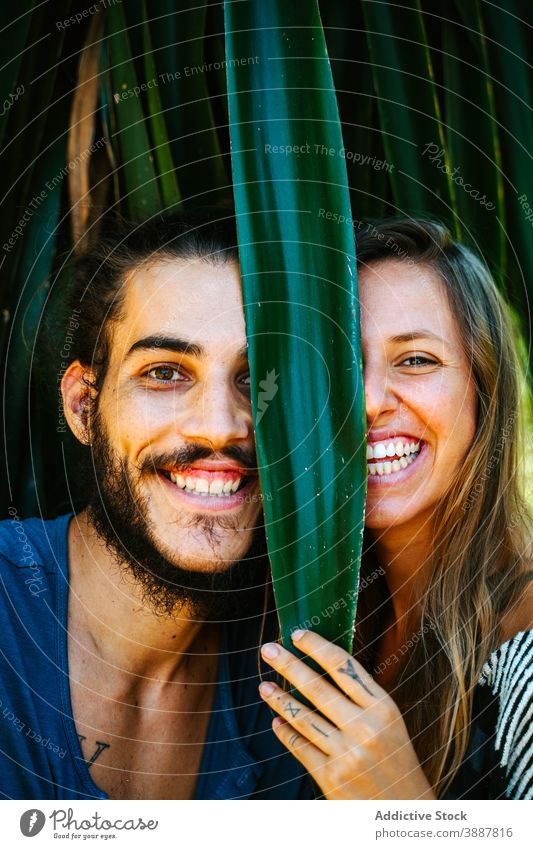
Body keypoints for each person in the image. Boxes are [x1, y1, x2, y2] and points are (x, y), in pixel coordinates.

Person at [0, 211, 311, 799]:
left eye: (256, 378)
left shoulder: (290, 690)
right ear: (83, 407)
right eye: (166, 372)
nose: (220, 427)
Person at [257, 218, 533, 800]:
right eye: (342, 364)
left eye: (416, 360)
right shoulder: (308, 607)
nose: (367, 402)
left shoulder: (523, 655)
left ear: (484, 389)